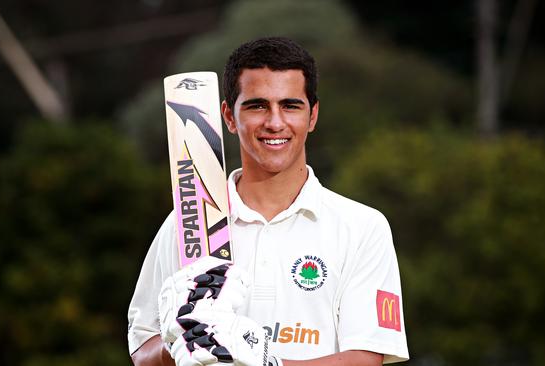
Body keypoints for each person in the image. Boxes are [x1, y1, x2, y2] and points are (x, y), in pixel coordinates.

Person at [128, 37, 409, 366]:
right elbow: (142, 347)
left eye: (290, 105)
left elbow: (365, 359)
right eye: (257, 105)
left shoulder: (361, 227)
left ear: (313, 115)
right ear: (229, 117)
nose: (275, 122)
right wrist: (184, 341)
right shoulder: (188, 221)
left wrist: (265, 362)